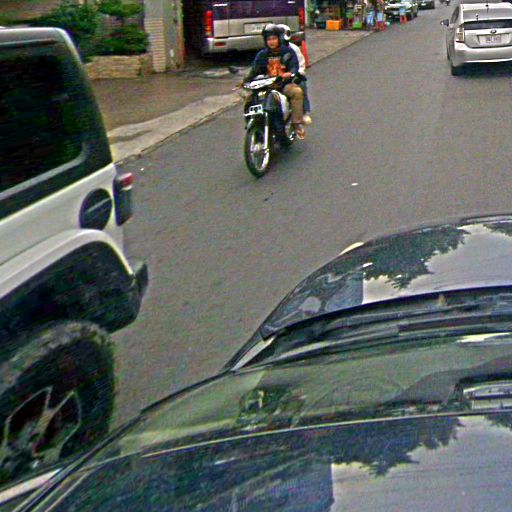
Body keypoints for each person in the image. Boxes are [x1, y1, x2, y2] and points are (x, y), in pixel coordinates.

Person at [244, 24, 306, 139]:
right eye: (269, 39)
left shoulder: (287, 51)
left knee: (297, 92)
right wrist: (246, 81)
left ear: (279, 39)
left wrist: (290, 73)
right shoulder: (262, 54)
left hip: (283, 85)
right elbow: (254, 70)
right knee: (249, 99)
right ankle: (254, 124)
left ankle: (297, 123)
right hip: (265, 86)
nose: (271, 42)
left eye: (274, 39)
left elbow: (294, 66)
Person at [277, 24, 312, 126]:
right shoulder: (266, 52)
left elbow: (301, 64)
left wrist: (296, 74)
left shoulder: (293, 49)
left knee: (301, 85)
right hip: (274, 79)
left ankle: (304, 111)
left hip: (291, 77)